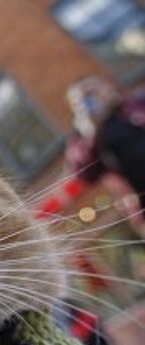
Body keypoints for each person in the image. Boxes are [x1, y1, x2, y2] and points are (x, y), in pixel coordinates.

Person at [64, 75, 145, 238]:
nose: (93, 98)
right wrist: (91, 133)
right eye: (84, 98)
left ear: (108, 88)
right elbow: (85, 174)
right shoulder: (83, 140)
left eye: (94, 90)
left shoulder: (136, 104)